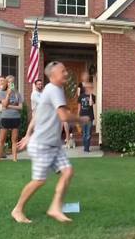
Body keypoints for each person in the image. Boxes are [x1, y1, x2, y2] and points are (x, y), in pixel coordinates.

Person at [12, 61, 89, 224]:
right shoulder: (53, 90)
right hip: (42, 145)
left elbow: (39, 114)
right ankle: (17, 209)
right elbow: (64, 116)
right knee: (39, 180)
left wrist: (27, 135)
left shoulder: (54, 89)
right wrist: (81, 119)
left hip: (54, 144)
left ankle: (55, 207)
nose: (66, 74)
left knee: (68, 171)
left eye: (66, 70)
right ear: (53, 75)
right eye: (63, 71)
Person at [0, 75, 23, 162]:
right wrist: (8, 94)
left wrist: (10, 106)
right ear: (6, 83)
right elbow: (4, 105)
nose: (10, 83)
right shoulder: (2, 93)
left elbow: (20, 107)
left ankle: (14, 158)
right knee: (2, 139)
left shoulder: (17, 93)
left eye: (12, 82)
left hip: (15, 117)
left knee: (14, 139)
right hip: (5, 117)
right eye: (9, 82)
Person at [78, 82, 96, 152]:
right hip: (82, 117)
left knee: (88, 133)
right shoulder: (81, 96)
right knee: (84, 133)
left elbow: (91, 104)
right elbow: (79, 107)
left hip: (90, 117)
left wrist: (90, 94)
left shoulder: (93, 96)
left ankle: (87, 148)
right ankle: (85, 146)